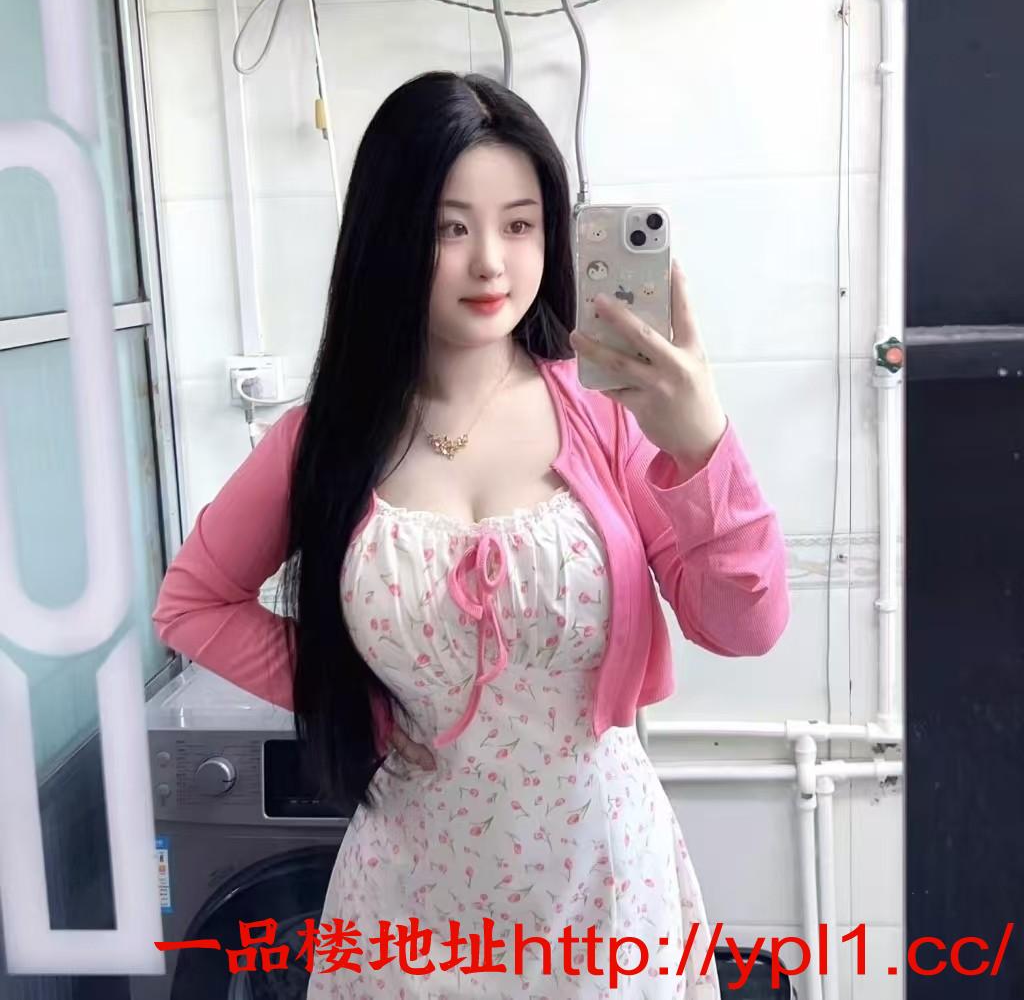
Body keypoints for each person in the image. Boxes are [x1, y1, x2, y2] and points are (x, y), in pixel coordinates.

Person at [153, 71, 790, 997]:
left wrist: (702, 445)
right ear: (389, 233)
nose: (491, 262)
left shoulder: (609, 415)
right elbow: (193, 604)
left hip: (600, 886)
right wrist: (353, 697)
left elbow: (745, 627)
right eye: (450, 228)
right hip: (412, 899)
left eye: (520, 225)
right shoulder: (322, 442)